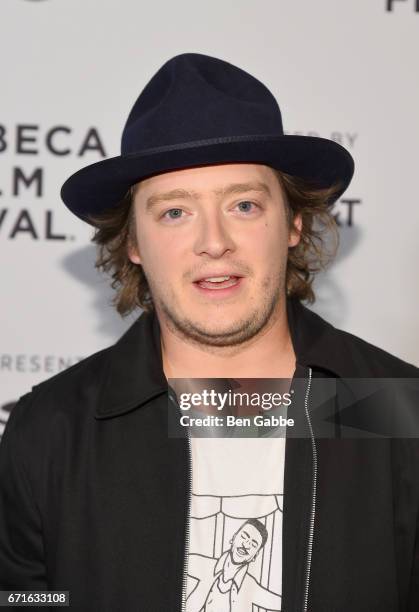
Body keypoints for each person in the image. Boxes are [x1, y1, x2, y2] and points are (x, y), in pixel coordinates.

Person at [0, 52, 418, 612]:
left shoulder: (394, 410)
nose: (213, 241)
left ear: (293, 223)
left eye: (243, 205)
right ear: (132, 242)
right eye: (175, 212)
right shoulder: (52, 431)